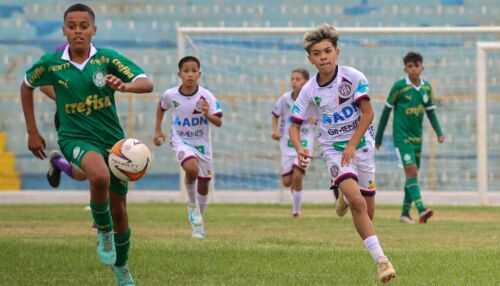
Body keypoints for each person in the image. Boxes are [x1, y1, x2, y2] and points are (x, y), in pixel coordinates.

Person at [20, 3, 153, 286]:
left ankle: (121, 267)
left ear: (94, 29)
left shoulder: (107, 59)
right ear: (64, 30)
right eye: (72, 26)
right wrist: (32, 130)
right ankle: (103, 231)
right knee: (98, 175)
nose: (78, 31)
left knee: (119, 210)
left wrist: (125, 86)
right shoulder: (51, 63)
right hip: (75, 137)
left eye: (84, 26)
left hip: (112, 141)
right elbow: (27, 84)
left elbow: (146, 82)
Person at [289, 24, 396, 283]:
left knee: (367, 212)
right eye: (317, 53)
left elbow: (368, 114)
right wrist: (299, 147)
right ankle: (382, 261)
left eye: (327, 51)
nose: (323, 56)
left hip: (361, 146)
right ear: (310, 58)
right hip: (333, 149)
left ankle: (344, 200)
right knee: (359, 203)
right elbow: (294, 125)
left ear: (337, 52)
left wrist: (353, 144)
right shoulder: (309, 90)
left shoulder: (353, 77)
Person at [154, 56, 223, 239]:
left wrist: (207, 112)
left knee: (204, 183)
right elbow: (161, 107)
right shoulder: (170, 95)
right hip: (181, 140)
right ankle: (192, 205)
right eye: (186, 71)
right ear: (179, 74)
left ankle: (198, 223)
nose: (190, 75)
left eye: (194, 71)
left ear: (199, 74)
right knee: (190, 168)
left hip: (203, 144)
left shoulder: (207, 96)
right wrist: (158, 131)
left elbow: (218, 122)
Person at [375, 51, 444, 224]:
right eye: (410, 66)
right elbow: (386, 111)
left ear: (422, 67)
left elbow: (431, 113)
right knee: (411, 170)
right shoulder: (399, 86)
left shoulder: (426, 88)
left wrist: (439, 132)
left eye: (416, 66)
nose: (413, 69)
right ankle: (421, 209)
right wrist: (379, 137)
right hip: (401, 137)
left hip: (417, 138)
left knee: (411, 175)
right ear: (405, 68)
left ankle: (405, 214)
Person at [271, 68, 316, 218]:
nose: (294, 82)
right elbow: (275, 114)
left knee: (298, 175)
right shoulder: (285, 99)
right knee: (286, 181)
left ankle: (296, 212)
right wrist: (275, 130)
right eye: (292, 79)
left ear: (306, 82)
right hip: (287, 144)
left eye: (298, 79)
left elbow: (321, 118)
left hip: (304, 144)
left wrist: (315, 120)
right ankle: (295, 189)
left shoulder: (312, 100)